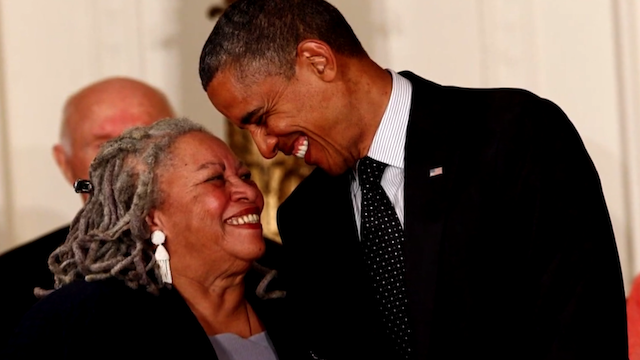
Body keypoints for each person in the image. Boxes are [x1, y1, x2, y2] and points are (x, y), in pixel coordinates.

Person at [198, 0, 628, 359]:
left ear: (317, 61)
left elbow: (584, 329)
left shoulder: (513, 136)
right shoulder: (306, 217)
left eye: (261, 118)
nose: (265, 148)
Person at [1, 118, 288, 359]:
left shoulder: (298, 294)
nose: (248, 192)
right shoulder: (84, 319)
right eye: (216, 179)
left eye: (246, 175)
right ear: (151, 216)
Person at [0, 77, 175, 347]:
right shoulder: (7, 283)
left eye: (145, 140)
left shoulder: (250, 267)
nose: (125, 162)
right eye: (103, 144)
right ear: (64, 164)